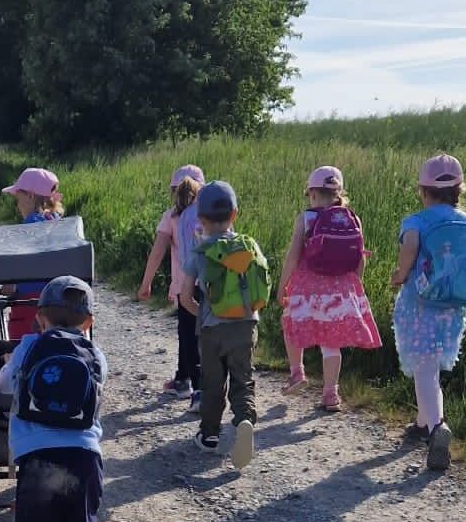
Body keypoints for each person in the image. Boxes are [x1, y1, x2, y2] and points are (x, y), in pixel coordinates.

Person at [0, 275, 107, 522]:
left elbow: (3, 384)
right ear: (89, 322)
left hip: (36, 454)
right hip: (83, 453)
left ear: (40, 317)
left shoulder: (28, 347)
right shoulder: (95, 354)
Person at [389, 154, 466, 472]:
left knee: (423, 366)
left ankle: (437, 426)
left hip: (420, 303)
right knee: (431, 364)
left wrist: (400, 273)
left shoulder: (416, 222)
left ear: (423, 191)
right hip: (452, 306)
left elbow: (409, 248)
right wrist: (462, 272)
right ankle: (423, 424)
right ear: (458, 191)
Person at [276, 166, 383, 411]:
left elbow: (292, 257)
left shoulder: (305, 219)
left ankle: (297, 373)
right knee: (331, 341)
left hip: (307, 284)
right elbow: (360, 258)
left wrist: (283, 286)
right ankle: (330, 394)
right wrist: (355, 284)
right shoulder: (352, 218)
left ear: (312, 193)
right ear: (338, 193)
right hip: (340, 286)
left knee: (292, 323)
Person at [179, 181, 267, 471]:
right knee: (243, 379)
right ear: (235, 214)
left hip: (211, 329)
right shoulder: (249, 245)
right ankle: (244, 420)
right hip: (245, 326)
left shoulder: (200, 251)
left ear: (201, 219)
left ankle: (210, 435)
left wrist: (201, 312)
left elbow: (185, 295)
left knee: (213, 383)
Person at [137, 164, 205, 406]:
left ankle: (198, 391)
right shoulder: (212, 214)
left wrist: (146, 284)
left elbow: (157, 252)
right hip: (213, 285)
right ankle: (183, 378)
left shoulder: (173, 217)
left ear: (174, 191)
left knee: (188, 336)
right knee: (201, 335)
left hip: (185, 285)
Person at [0, 168, 64, 341]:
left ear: (30, 196)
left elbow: (19, 264)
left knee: (22, 349)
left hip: (29, 305)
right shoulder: (57, 222)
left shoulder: (29, 227)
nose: (17, 203)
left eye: (18, 197)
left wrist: (9, 283)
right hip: (58, 301)